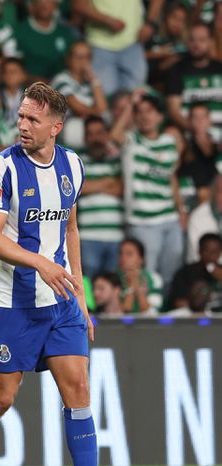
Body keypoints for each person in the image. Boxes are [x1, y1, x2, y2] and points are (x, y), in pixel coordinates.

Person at [0, 82, 130, 466]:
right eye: (21, 116)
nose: (22, 125)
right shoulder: (1, 169)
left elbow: (69, 229)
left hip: (61, 301)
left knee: (78, 390)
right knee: (0, 398)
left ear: (56, 127)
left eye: (32, 119)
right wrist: (40, 264)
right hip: (12, 303)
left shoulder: (73, 165)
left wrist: (80, 295)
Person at [111, 94, 184, 289]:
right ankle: (147, 316)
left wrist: (181, 210)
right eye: (140, 112)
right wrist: (130, 105)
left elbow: (171, 177)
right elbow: (114, 135)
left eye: (150, 111)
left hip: (170, 219)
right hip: (142, 222)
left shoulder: (170, 141)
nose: (145, 116)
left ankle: (167, 317)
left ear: (160, 116)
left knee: (171, 273)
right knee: (147, 275)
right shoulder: (132, 141)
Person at [71, 0, 154, 96]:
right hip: (100, 44)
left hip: (133, 42)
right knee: (106, 96)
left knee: (135, 95)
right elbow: (78, 5)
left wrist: (150, 23)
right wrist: (107, 20)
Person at [77, 116, 123, 279]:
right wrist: (107, 181)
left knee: (113, 284)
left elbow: (122, 188)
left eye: (99, 133)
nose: (95, 138)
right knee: (87, 284)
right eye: (91, 134)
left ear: (106, 135)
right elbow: (78, 189)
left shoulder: (117, 161)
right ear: (85, 138)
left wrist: (92, 185)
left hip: (116, 236)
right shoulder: (77, 161)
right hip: (88, 236)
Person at [164, 22, 222, 132]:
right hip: (189, 132)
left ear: (210, 42)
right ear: (187, 42)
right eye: (192, 40)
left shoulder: (220, 69)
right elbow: (174, 111)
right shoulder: (176, 71)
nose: (196, 44)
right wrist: (196, 130)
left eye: (202, 40)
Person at [50, 41, 108, 149]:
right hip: (69, 128)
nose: (83, 61)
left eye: (87, 57)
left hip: (90, 128)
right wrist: (96, 112)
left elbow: (103, 108)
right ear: (68, 59)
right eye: (79, 57)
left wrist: (93, 78)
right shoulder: (61, 79)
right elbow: (78, 109)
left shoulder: (90, 84)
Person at [15, 0, 76, 82]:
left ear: (56, 6)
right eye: (40, 2)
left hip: (60, 87)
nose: (44, 6)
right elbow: (12, 67)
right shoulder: (19, 31)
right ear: (32, 6)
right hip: (28, 87)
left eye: (49, 2)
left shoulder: (65, 33)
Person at [169, 232, 222, 312]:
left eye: (215, 252)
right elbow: (179, 303)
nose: (211, 256)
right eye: (207, 251)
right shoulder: (185, 273)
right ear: (199, 251)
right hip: (194, 317)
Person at [117, 237, 163, 314]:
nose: (123, 257)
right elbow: (123, 312)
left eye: (129, 254)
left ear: (141, 259)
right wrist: (131, 287)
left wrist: (136, 283)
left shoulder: (154, 278)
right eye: (121, 253)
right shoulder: (113, 279)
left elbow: (152, 312)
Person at [188, 175, 222, 262]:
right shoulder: (199, 217)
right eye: (221, 192)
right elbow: (199, 255)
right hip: (202, 271)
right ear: (214, 193)